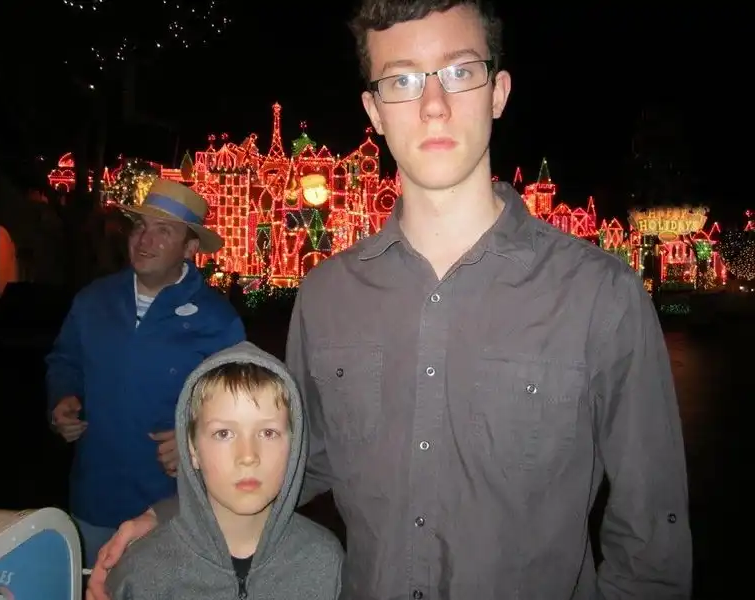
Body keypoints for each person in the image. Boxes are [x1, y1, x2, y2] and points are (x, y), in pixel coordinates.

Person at [88, 1, 693, 598]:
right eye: (402, 80)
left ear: (498, 92)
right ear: (373, 111)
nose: (433, 104)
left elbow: (651, 539)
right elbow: (296, 461)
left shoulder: (599, 294)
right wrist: (169, 518)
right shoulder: (327, 295)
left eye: (459, 71)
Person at [48, 179, 246, 568]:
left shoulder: (218, 319)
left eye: (164, 230)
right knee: (94, 587)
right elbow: (65, 361)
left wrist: (197, 441)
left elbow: (240, 408)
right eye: (140, 226)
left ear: (189, 249)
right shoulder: (93, 301)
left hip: (173, 507)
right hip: (94, 498)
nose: (144, 239)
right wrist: (62, 399)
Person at [104, 341, 343, 598]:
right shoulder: (140, 575)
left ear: (294, 447)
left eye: (268, 433)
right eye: (224, 433)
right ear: (192, 450)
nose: (248, 456)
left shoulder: (325, 563)